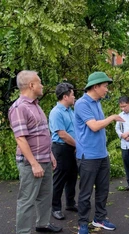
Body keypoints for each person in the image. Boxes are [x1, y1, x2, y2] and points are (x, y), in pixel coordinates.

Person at [8, 70, 62, 233]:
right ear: (31, 85)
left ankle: (43, 224)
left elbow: (42, 133)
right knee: (27, 200)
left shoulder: (36, 106)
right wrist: (34, 164)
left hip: (44, 159)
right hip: (31, 163)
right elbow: (21, 139)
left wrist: (50, 155)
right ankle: (23, 231)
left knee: (45, 195)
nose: (42, 85)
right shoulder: (19, 108)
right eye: (39, 82)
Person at [74, 72, 124, 234]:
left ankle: (100, 219)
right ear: (95, 86)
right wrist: (113, 117)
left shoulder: (97, 102)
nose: (106, 90)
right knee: (86, 192)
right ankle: (83, 222)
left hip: (102, 154)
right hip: (87, 156)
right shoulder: (82, 103)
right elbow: (94, 126)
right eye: (105, 86)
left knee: (103, 189)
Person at [49, 82, 78, 220]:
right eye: (72, 95)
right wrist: (78, 145)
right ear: (65, 96)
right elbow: (62, 134)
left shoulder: (70, 111)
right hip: (61, 148)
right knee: (59, 179)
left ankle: (70, 203)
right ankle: (55, 208)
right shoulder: (56, 112)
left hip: (72, 147)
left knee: (72, 176)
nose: (74, 97)